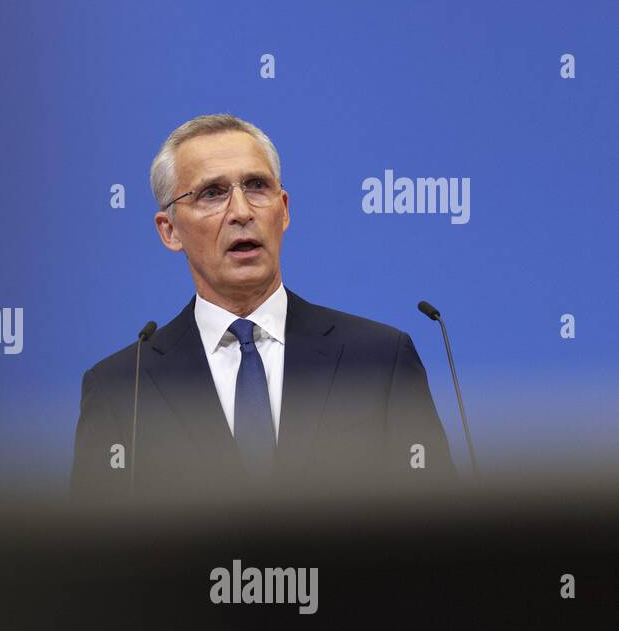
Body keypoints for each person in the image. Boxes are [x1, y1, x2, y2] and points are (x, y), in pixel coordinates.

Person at [70, 113, 456, 505]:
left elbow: (436, 537)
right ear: (169, 230)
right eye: (212, 193)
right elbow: (95, 559)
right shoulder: (121, 390)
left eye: (257, 186)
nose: (241, 211)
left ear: (283, 209)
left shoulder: (380, 360)